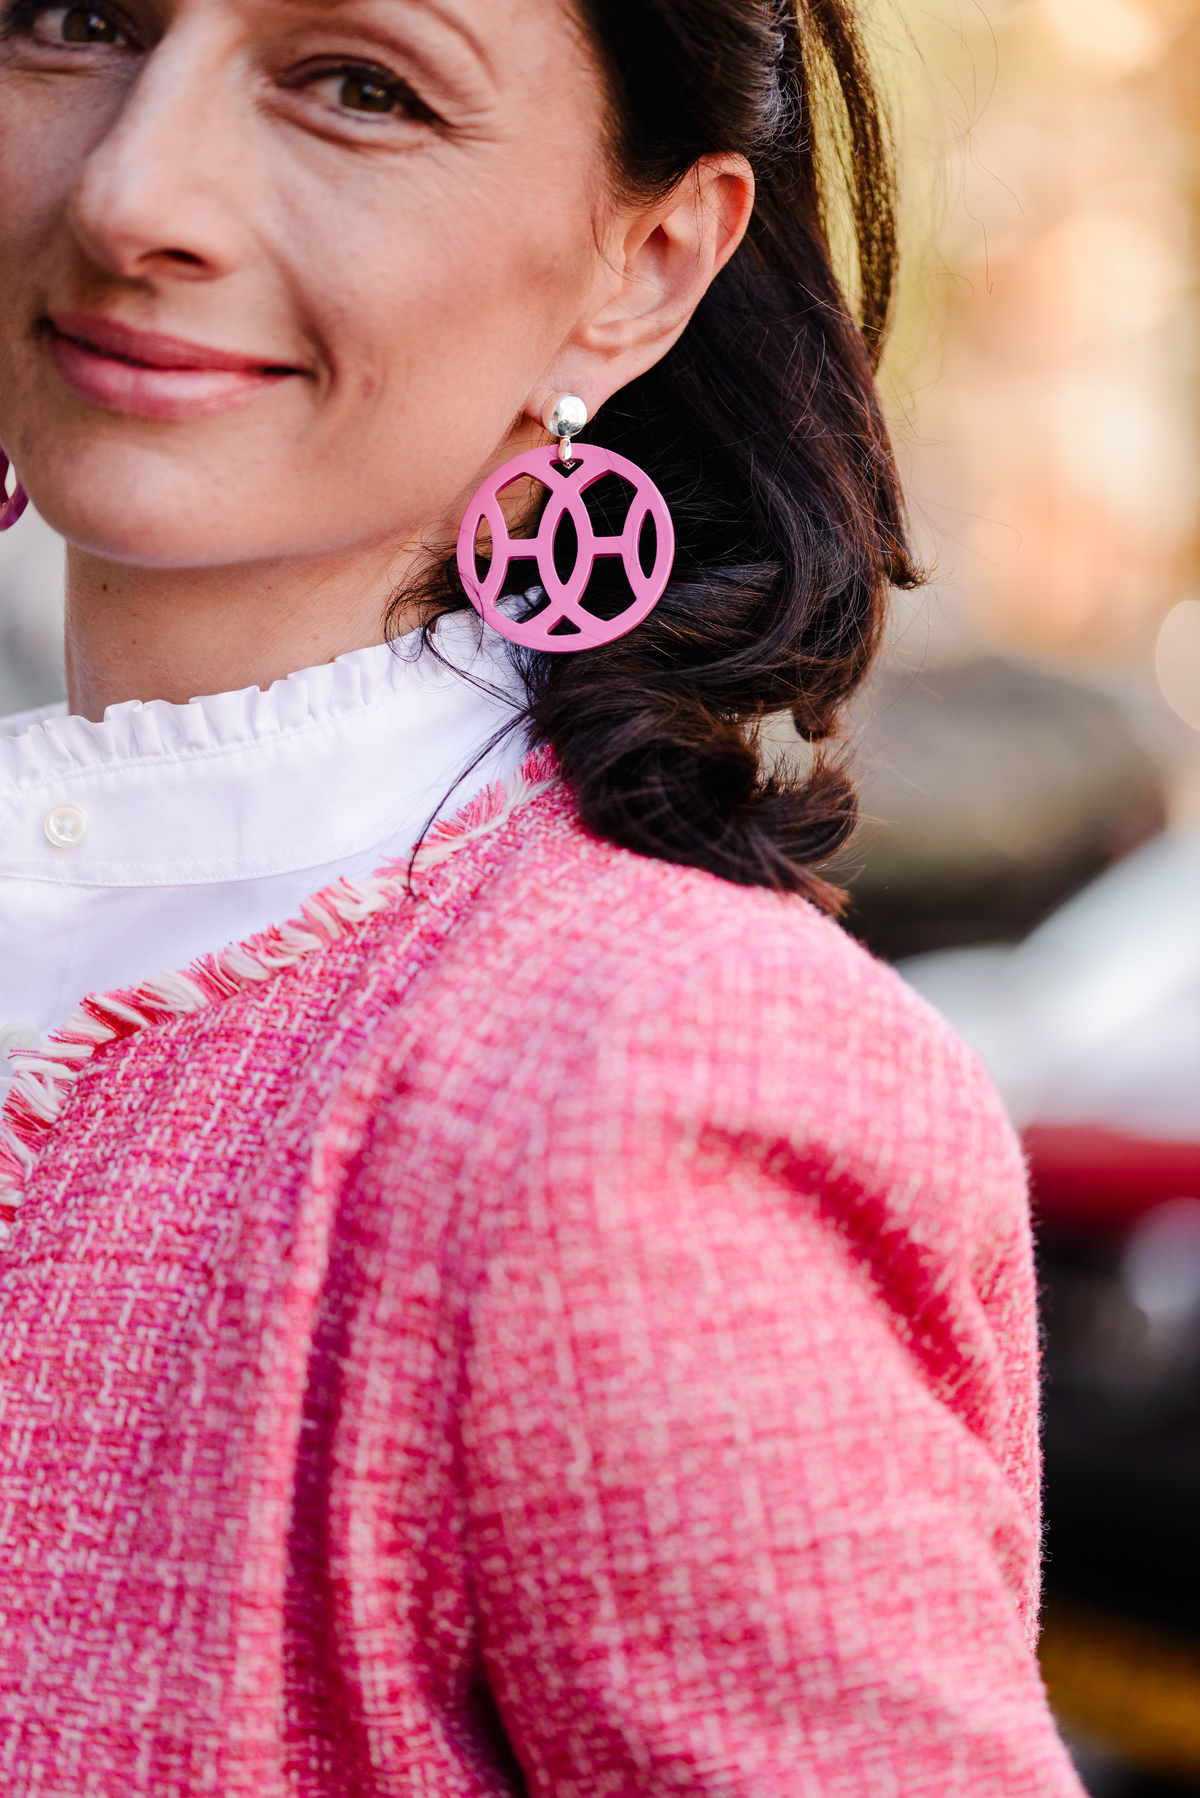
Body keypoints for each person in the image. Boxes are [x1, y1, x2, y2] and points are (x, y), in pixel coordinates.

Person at [0, 0, 1085, 1789]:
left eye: (362, 85)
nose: (135, 195)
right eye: (82, 21)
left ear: (645, 266)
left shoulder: (643, 1084)